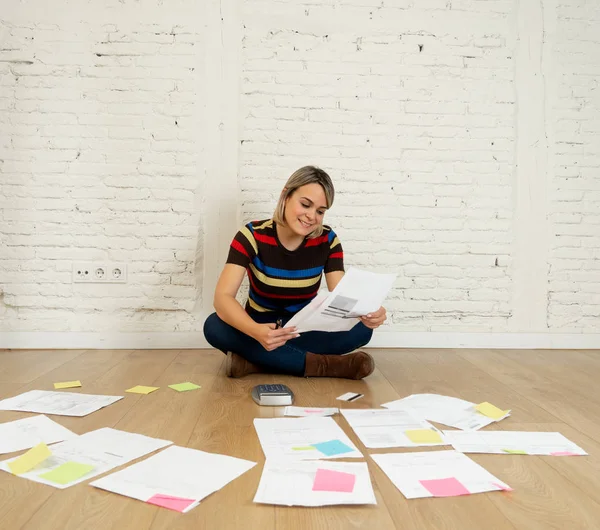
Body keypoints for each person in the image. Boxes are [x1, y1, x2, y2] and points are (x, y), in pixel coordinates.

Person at [203, 166, 387, 379]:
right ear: (286, 195)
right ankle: (325, 366)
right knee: (214, 326)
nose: (311, 216)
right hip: (260, 328)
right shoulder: (251, 235)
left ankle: (255, 363)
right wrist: (255, 331)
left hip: (303, 329)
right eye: (305, 204)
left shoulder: (328, 240)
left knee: (363, 330)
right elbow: (222, 297)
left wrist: (369, 311)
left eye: (320, 211)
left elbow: (343, 296)